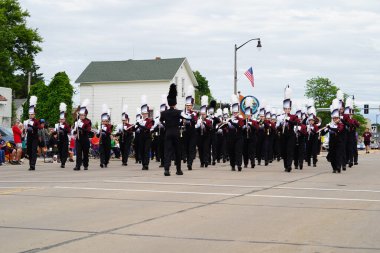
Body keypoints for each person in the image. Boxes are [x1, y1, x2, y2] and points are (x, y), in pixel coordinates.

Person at [160, 83, 191, 176]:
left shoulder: (164, 113)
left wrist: (166, 126)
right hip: (176, 133)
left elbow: (161, 121)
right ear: (175, 103)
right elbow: (188, 117)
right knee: (178, 151)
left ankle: (166, 169)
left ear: (168, 103)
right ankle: (178, 170)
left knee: (167, 151)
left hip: (168, 132)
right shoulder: (179, 112)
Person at [278, 85, 299, 172]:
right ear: (283, 109)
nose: (287, 110)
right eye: (285, 109)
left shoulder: (294, 116)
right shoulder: (280, 117)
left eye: (288, 109)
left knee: (289, 151)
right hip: (283, 135)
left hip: (291, 135)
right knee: (284, 151)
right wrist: (281, 124)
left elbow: (296, 123)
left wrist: (288, 121)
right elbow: (277, 128)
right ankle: (286, 165)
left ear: (290, 109)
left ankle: (289, 166)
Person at [73, 99, 92, 171]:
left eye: (83, 115)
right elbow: (74, 129)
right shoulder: (77, 121)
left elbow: (88, 130)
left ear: (85, 115)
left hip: (85, 139)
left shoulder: (88, 121)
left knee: (85, 153)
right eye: (80, 115)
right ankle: (77, 165)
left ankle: (85, 165)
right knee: (78, 152)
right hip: (78, 139)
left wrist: (82, 129)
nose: (81, 116)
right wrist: (74, 132)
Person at [182, 85, 198, 170]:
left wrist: (187, 117)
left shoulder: (194, 113)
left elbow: (194, 120)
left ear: (192, 106)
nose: (188, 107)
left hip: (192, 132)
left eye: (190, 105)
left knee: (191, 147)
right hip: (185, 132)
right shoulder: (183, 112)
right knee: (186, 147)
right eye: (187, 105)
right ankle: (186, 159)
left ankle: (190, 163)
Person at [227, 94, 244, 171]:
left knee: (238, 151)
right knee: (231, 151)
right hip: (231, 138)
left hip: (239, 137)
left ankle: (239, 164)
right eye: (234, 112)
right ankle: (232, 165)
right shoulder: (229, 119)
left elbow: (240, 126)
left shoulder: (240, 119)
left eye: (236, 112)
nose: (235, 113)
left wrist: (232, 122)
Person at [135, 95, 153, 170]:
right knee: (141, 151)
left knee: (146, 150)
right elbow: (135, 129)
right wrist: (136, 126)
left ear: (147, 113)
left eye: (145, 113)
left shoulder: (150, 120)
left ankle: (146, 164)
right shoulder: (140, 120)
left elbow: (148, 128)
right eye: (143, 113)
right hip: (141, 137)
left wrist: (140, 125)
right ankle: (143, 164)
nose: (144, 115)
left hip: (147, 137)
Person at [196, 96, 212, 168]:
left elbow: (210, 128)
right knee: (200, 149)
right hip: (199, 136)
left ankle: (206, 161)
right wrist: (199, 124)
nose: (203, 115)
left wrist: (204, 123)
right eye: (202, 114)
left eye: (204, 114)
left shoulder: (209, 120)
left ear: (206, 114)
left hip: (207, 136)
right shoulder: (198, 120)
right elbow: (196, 129)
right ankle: (202, 162)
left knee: (206, 149)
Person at [25, 96, 41, 171]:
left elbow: (39, 127)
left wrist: (32, 127)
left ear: (34, 114)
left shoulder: (36, 121)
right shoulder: (27, 121)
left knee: (33, 151)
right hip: (29, 137)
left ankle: (32, 165)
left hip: (34, 137)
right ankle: (30, 164)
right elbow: (25, 129)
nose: (31, 115)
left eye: (32, 114)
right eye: (30, 114)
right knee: (29, 151)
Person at [242, 97, 258, 168]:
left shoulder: (254, 121)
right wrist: (244, 127)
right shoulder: (243, 121)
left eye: (249, 115)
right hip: (245, 138)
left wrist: (250, 125)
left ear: (251, 115)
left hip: (252, 138)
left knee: (252, 151)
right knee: (245, 151)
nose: (248, 116)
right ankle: (245, 163)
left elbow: (256, 129)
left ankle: (252, 162)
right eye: (247, 115)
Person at [55, 103, 71, 168]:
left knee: (64, 151)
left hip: (64, 139)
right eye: (60, 119)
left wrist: (63, 129)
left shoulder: (66, 125)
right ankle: (62, 161)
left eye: (63, 119)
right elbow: (55, 132)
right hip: (59, 139)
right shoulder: (57, 125)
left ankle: (63, 163)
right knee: (60, 151)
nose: (61, 120)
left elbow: (69, 131)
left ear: (64, 119)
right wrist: (54, 132)